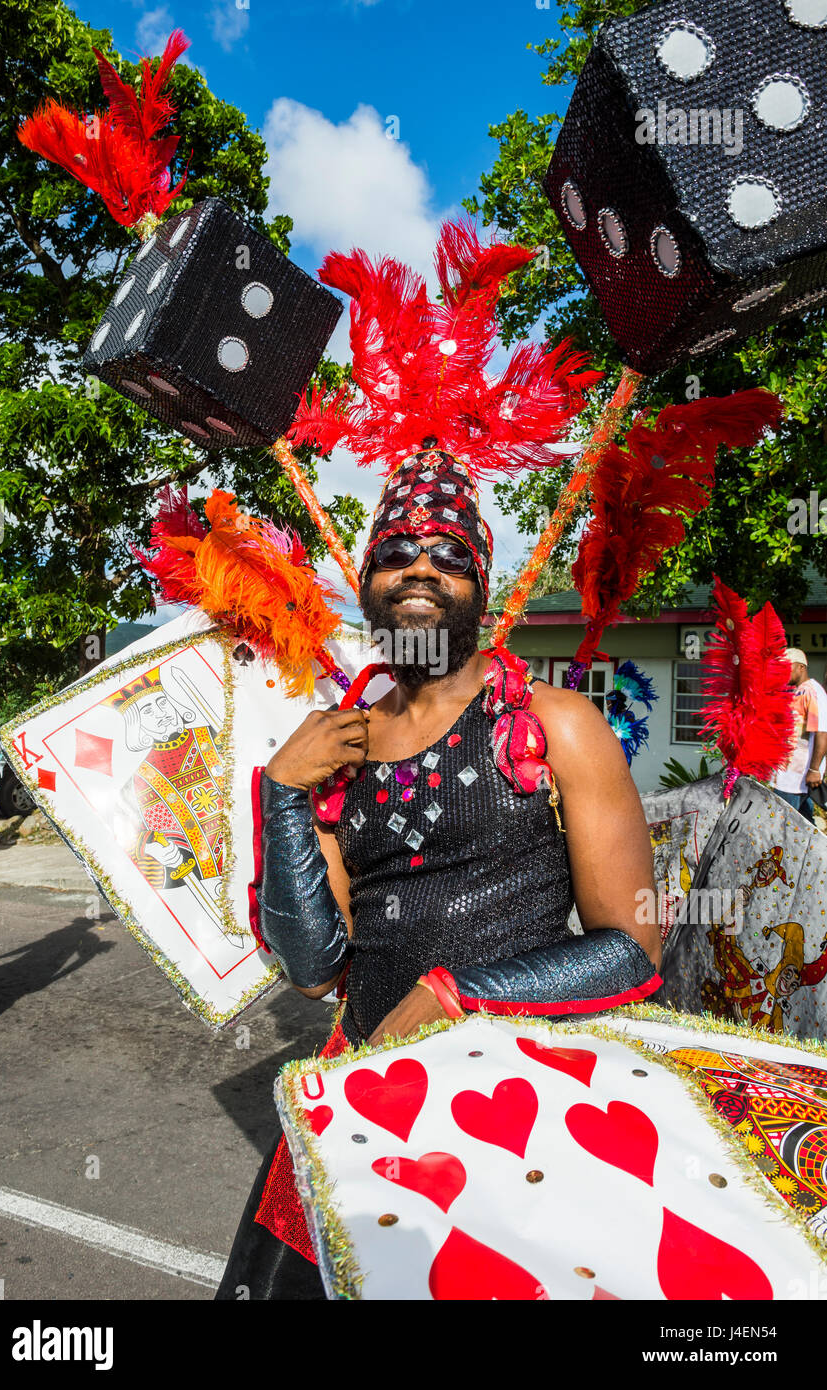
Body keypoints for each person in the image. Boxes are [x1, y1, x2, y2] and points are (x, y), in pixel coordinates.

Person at [216, 501, 662, 1299]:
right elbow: (312, 969)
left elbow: (633, 949)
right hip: (364, 1095)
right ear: (366, 583)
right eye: (396, 551)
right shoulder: (337, 747)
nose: (419, 567)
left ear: (480, 588)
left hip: (518, 1103)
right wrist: (280, 791)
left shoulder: (552, 724)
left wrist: (458, 995)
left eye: (447, 553)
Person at [770, 648, 827, 824]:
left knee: (783, 824)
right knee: (802, 823)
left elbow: (822, 732)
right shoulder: (798, 692)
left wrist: (814, 770)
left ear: (801, 667)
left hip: (797, 777)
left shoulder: (812, 692)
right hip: (788, 775)